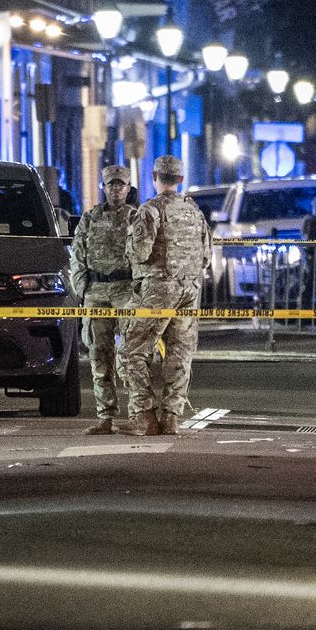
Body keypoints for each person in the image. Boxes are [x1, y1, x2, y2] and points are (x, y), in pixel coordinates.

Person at [117, 154, 211, 437]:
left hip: (158, 289)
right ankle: (171, 417)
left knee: (132, 350)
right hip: (189, 290)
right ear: (180, 180)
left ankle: (144, 415)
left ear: (154, 177)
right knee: (180, 354)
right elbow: (206, 256)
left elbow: (139, 253)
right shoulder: (194, 211)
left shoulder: (150, 210)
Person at [67, 166, 141, 435]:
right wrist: (82, 289)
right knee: (99, 354)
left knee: (132, 353)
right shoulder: (89, 219)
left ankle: (137, 414)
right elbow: (77, 256)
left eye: (120, 184)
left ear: (128, 187)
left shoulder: (136, 218)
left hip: (125, 290)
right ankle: (105, 415)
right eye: (111, 184)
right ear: (104, 186)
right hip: (96, 291)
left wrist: (139, 290)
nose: (116, 189)